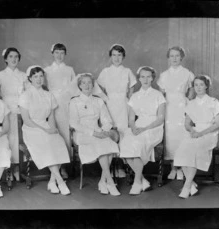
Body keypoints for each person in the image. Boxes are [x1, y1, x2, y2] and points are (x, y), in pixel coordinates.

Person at [18, 65, 71, 195]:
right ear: (30, 78)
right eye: (35, 76)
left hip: (46, 126)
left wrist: (52, 128)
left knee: (59, 141)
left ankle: (52, 181)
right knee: (47, 143)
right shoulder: (25, 95)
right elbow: (27, 119)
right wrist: (45, 130)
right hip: (31, 129)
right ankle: (60, 181)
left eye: (41, 76)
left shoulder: (49, 95)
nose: (39, 79)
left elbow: (51, 116)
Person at [69, 73, 120, 196]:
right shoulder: (75, 101)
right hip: (82, 133)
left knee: (108, 142)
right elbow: (74, 123)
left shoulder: (98, 100)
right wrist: (93, 133)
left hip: (98, 130)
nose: (87, 85)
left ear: (93, 85)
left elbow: (107, 120)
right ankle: (110, 182)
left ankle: (103, 181)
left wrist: (104, 130)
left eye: (89, 83)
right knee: (102, 144)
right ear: (79, 86)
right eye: (83, 83)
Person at [173, 75, 219, 198]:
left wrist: (201, 133)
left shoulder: (213, 102)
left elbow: (217, 124)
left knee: (193, 150)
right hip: (195, 132)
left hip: (209, 133)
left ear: (206, 86)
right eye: (196, 85)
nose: (198, 87)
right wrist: (192, 130)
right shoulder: (191, 103)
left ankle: (186, 186)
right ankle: (191, 184)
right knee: (181, 151)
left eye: (201, 84)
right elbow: (187, 123)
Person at [120, 66, 166, 195]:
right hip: (138, 125)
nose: (145, 79)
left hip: (153, 127)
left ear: (152, 78)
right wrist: (134, 128)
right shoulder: (134, 96)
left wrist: (145, 129)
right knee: (125, 144)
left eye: (148, 76)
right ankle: (143, 180)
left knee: (138, 144)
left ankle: (137, 182)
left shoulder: (158, 95)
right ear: (139, 78)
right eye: (142, 76)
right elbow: (130, 118)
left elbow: (161, 118)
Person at [97, 44, 137, 177]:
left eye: (119, 55)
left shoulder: (127, 71)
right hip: (109, 104)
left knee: (123, 133)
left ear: (123, 57)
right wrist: (105, 101)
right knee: (110, 131)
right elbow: (100, 90)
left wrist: (129, 103)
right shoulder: (105, 72)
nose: (116, 58)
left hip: (123, 104)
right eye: (114, 55)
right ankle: (109, 166)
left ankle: (121, 165)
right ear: (110, 56)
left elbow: (131, 90)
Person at [157, 46, 195, 180]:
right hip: (169, 108)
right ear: (168, 58)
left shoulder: (187, 73)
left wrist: (188, 104)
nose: (174, 58)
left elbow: (191, 90)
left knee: (182, 136)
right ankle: (173, 167)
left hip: (182, 106)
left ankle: (181, 168)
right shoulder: (164, 75)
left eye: (177, 56)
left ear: (181, 57)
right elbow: (161, 94)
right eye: (172, 56)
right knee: (171, 138)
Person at [0, 47, 28, 181]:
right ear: (5, 59)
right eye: (11, 57)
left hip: (21, 110)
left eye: (16, 57)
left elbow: (27, 93)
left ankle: (19, 168)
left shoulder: (24, 75)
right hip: (7, 110)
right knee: (9, 140)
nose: (14, 59)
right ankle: (10, 169)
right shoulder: (0, 76)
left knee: (21, 139)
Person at [44, 43, 76, 179]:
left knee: (64, 135)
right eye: (57, 52)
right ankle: (53, 167)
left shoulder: (69, 70)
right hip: (50, 104)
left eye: (62, 53)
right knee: (52, 134)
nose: (59, 55)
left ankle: (63, 167)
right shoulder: (46, 70)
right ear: (52, 53)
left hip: (65, 104)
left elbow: (74, 88)